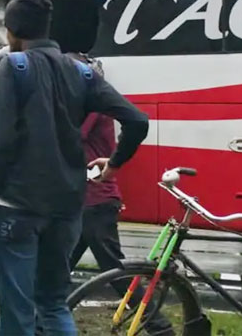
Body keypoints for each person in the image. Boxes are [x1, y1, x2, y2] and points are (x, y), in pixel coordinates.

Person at [0, 0, 150, 336]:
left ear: (11, 32)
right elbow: (137, 120)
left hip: (18, 205)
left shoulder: (14, 66)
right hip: (67, 208)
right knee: (54, 304)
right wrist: (114, 164)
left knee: (17, 313)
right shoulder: (82, 73)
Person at [69, 56, 173, 335]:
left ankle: (159, 327)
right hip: (85, 200)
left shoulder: (92, 106)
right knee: (55, 267)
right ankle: (42, 318)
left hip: (96, 200)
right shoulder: (91, 104)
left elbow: (73, 134)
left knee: (116, 273)